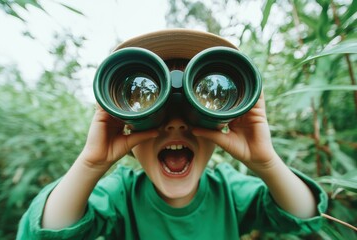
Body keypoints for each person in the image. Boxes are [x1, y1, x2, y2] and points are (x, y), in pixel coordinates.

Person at [17, 29, 327, 240]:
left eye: (199, 105)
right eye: (150, 104)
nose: (175, 123)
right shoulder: (121, 195)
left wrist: (266, 162)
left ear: (226, 123)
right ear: (121, 124)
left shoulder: (229, 192)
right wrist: (90, 164)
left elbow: (302, 215)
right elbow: (42, 232)